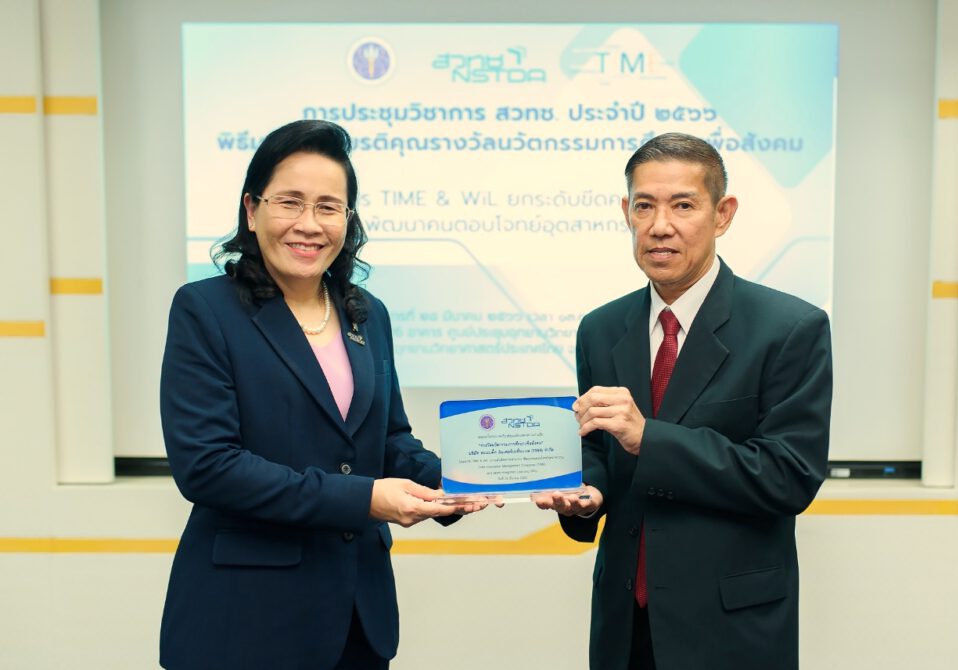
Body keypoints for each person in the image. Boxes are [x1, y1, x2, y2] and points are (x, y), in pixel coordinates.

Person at [159, 119, 485, 670]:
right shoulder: (205, 310)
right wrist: (364, 500)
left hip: (357, 618)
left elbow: (389, 441)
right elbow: (208, 468)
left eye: (329, 207)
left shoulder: (368, 314)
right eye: (290, 202)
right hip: (245, 621)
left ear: (348, 221)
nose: (309, 224)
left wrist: (465, 479)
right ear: (251, 210)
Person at [535, 133, 832, 670]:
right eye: (644, 206)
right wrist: (587, 493)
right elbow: (597, 449)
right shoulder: (601, 328)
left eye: (683, 206)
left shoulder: (790, 328)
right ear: (626, 212)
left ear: (723, 214)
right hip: (624, 625)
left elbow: (788, 476)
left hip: (729, 628)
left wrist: (648, 438)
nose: (659, 226)